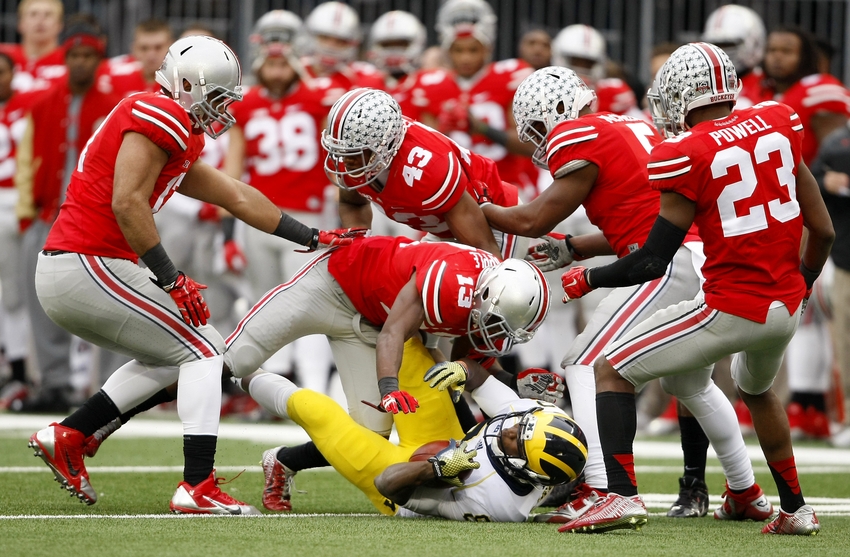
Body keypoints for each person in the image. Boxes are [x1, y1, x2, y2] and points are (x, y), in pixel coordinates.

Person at [26, 35, 363, 514]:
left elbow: (236, 195)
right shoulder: (159, 114)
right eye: (218, 97)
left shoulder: (176, 127)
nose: (223, 109)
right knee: (205, 348)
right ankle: (196, 485)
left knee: (183, 353)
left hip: (86, 266)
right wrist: (171, 277)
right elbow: (126, 202)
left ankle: (72, 434)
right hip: (87, 262)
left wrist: (312, 236)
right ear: (187, 85)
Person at [555, 42, 833, 536]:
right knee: (757, 390)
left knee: (612, 368)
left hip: (728, 308)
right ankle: (795, 508)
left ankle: (618, 496)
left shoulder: (686, 151)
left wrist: (588, 277)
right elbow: (824, 230)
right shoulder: (778, 121)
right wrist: (804, 284)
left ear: (684, 94)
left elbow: (652, 258)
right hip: (785, 306)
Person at [481, 65, 773, 524]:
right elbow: (640, 220)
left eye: (539, 127)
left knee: (584, 359)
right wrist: (574, 248)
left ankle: (603, 487)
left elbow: (529, 220)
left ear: (557, 112)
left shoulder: (577, 136)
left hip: (665, 267)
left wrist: (475, 205)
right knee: (691, 384)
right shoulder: (634, 126)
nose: (539, 140)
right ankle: (746, 490)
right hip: (693, 258)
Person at [240, 338, 584, 520]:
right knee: (411, 348)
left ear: (523, 468)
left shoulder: (497, 504)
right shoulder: (531, 417)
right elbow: (480, 380)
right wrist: (462, 371)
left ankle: (235, 372)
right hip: (451, 440)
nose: (508, 427)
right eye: (519, 424)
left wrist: (435, 468)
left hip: (409, 479)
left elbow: (389, 485)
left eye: (512, 440)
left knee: (318, 411)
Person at [14, 16, 123, 413]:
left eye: (87, 55)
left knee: (110, 306)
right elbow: (27, 158)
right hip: (46, 216)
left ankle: (111, 389)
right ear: (64, 55)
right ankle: (55, 383)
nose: (80, 62)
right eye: (73, 54)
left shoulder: (116, 104)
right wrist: (26, 213)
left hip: (95, 221)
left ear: (100, 56)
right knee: (39, 306)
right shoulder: (42, 102)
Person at [327, 87, 524, 260]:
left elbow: (485, 249)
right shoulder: (355, 158)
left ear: (385, 143)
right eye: (341, 151)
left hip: (494, 224)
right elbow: (352, 203)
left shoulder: (426, 166)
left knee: (475, 295)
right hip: (445, 228)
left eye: (355, 152)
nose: (346, 160)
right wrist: (357, 243)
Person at [393, 0, 538, 196]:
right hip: (453, 190)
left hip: (506, 184)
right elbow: (416, 153)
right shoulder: (429, 83)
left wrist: (481, 128)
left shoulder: (511, 76)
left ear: (487, 48)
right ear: (447, 50)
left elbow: (531, 147)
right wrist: (440, 132)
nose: (465, 58)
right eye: (458, 50)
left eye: (473, 50)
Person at [810, 124, 850, 447]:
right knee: (846, 341)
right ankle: (848, 416)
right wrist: (827, 181)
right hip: (846, 260)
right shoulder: (835, 143)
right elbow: (809, 179)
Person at [0, 52, 35, 409]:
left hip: (15, 202)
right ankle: (17, 372)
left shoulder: (29, 105)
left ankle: (22, 374)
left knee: (15, 296)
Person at [552, 24, 644, 120]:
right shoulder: (544, 89)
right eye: (576, 61)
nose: (582, 69)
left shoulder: (612, 92)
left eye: (588, 63)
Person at [701, 4, 766, 108]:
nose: (721, 52)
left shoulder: (769, 86)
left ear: (754, 42)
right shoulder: (702, 85)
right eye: (716, 45)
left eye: (728, 45)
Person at [0, 0, 65, 93]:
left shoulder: (69, 59)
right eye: (33, 14)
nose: (40, 20)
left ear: (60, 25)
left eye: (48, 15)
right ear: (20, 23)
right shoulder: (4, 56)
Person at [100, 19, 173, 98]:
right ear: (133, 49)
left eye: (158, 47)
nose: (151, 55)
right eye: (144, 48)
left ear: (172, 47)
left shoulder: (182, 83)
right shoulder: (113, 77)